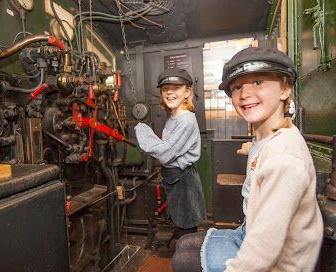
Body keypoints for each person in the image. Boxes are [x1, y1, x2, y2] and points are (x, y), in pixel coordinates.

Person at [171, 47, 323, 272]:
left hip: (280, 262)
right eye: (237, 87)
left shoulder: (283, 158)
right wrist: (251, 148)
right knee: (184, 243)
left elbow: (264, 249)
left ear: (285, 88)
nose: (244, 94)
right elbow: (262, 148)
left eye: (258, 82)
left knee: (182, 261)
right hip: (248, 231)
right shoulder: (270, 136)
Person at [134, 68, 206, 242]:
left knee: (186, 230)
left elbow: (166, 153)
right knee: (179, 222)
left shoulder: (186, 120)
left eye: (176, 87)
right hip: (173, 177)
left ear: (187, 91)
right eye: (166, 88)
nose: (170, 92)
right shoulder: (173, 117)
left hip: (183, 181)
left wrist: (142, 131)